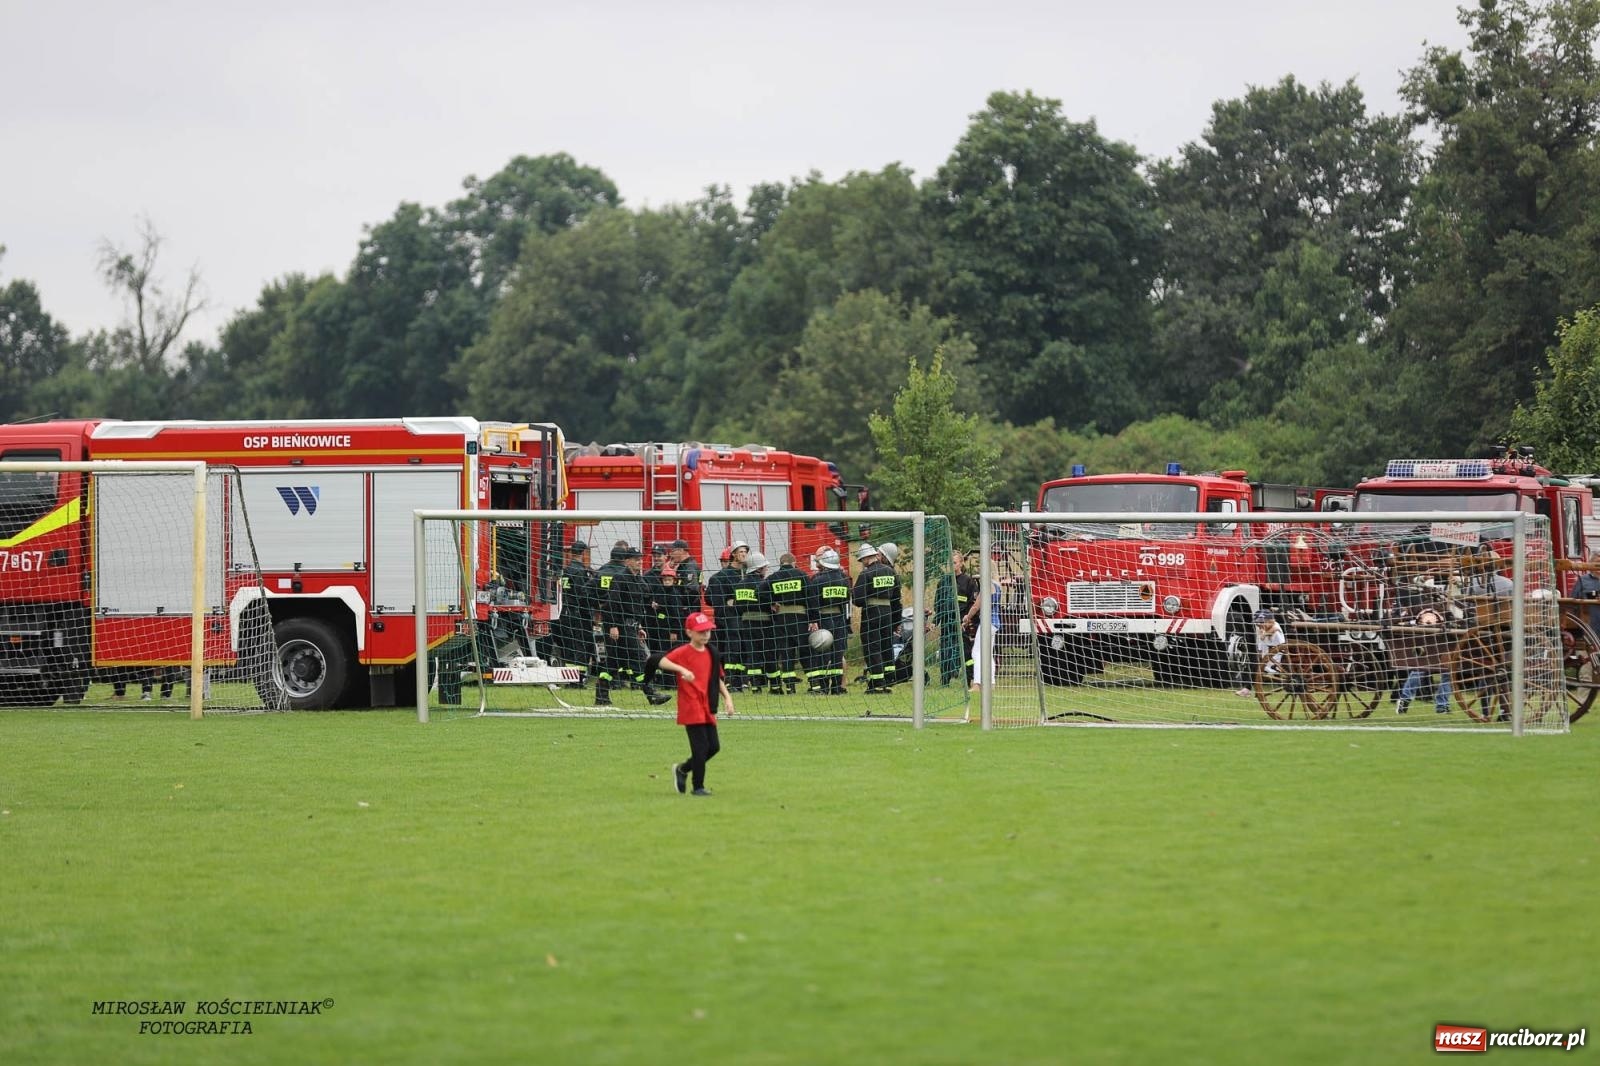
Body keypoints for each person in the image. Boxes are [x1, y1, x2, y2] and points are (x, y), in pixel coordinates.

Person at [648, 610, 733, 797]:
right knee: (700, 747)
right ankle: (698, 787)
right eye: (700, 631)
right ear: (689, 633)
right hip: (691, 706)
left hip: (707, 706)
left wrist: (728, 698)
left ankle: (683, 769)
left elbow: (716, 678)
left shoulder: (712, 652)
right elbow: (659, 661)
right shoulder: (683, 652)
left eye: (707, 631)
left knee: (714, 747)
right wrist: (681, 669)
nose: (705, 635)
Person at [595, 545, 670, 708]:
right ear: (627, 561)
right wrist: (613, 626)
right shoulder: (620, 578)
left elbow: (638, 606)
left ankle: (601, 695)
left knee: (614, 661)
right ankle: (651, 694)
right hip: (620, 625)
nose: (639, 562)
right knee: (640, 658)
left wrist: (639, 626)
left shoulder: (639, 580)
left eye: (640, 559)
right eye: (636, 559)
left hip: (631, 625)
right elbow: (611, 605)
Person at [852, 542, 899, 694]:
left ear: (866, 558)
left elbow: (857, 600)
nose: (862, 563)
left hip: (872, 613)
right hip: (888, 613)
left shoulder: (866, 574)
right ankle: (889, 679)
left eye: (862, 560)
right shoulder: (891, 572)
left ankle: (877, 683)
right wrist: (895, 621)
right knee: (886, 646)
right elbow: (897, 599)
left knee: (872, 647)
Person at [805, 547, 852, 694]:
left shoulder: (817, 580)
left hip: (823, 618)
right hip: (839, 618)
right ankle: (837, 687)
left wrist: (813, 620)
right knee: (838, 654)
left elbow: (812, 603)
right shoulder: (844, 579)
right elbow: (846, 601)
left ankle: (824, 687)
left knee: (823, 653)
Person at [763, 552, 809, 694]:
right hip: (800, 618)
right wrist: (813, 619)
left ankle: (790, 687)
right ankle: (815, 684)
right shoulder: (801, 575)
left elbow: (760, 593)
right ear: (794, 562)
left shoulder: (773, 578)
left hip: (781, 619)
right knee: (804, 650)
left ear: (780, 563)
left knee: (786, 653)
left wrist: (771, 604)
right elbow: (811, 596)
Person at [706, 542, 749, 690]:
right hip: (727, 621)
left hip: (744, 619)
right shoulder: (720, 577)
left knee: (743, 650)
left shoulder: (747, 575)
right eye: (741, 551)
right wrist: (728, 604)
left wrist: (735, 602)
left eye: (745, 552)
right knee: (730, 650)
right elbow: (712, 600)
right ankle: (729, 680)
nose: (743, 554)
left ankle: (742, 680)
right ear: (733, 555)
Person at [553, 540, 596, 683]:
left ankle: (570, 678)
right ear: (583, 553)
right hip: (578, 615)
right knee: (580, 648)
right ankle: (577, 679)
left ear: (571, 552)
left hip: (564, 612)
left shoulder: (566, 570)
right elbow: (582, 595)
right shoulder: (580, 571)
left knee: (569, 648)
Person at [1397, 608, 1453, 714]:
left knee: (1443, 672)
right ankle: (1441, 705)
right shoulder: (1432, 607)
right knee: (1422, 670)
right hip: (1428, 642)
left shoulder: (1442, 608)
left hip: (1435, 643)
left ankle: (1441, 705)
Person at [736, 551, 772, 692]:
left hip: (745, 623)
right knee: (766, 652)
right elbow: (768, 604)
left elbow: (738, 607)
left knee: (752, 654)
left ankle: (755, 685)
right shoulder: (763, 584)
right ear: (758, 569)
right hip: (763, 622)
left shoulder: (739, 585)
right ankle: (766, 682)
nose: (766, 570)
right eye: (764, 567)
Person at [1236, 608, 1286, 697]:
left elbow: (1276, 629)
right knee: (1250, 664)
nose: (1260, 625)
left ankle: (1247, 690)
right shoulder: (1262, 632)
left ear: (1270, 621)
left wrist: (1265, 634)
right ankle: (1248, 689)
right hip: (1266, 661)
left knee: (1255, 667)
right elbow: (1260, 650)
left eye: (1262, 623)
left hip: (1275, 663)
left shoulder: (1276, 630)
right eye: (1258, 624)